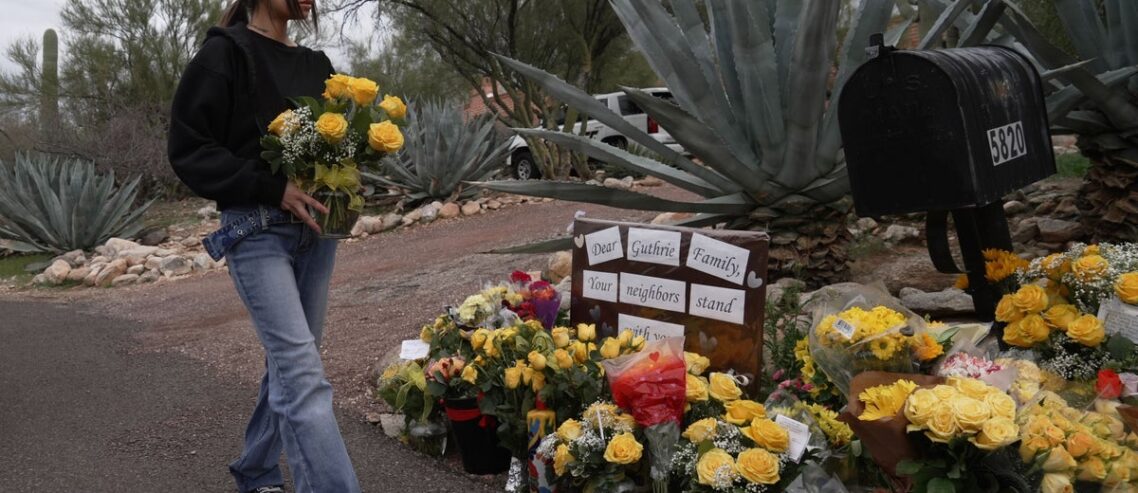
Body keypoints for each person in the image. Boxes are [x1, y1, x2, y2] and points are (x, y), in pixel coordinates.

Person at [167, 0, 361, 492]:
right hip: (256, 233)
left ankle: (255, 469)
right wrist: (271, 187)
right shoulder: (225, 54)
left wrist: (346, 183)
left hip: (316, 235)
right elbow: (189, 149)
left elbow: (332, 148)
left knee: (293, 367)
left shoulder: (316, 64)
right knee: (303, 376)